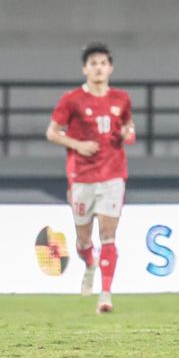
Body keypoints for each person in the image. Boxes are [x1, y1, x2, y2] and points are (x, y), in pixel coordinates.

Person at [46, 42, 135, 314]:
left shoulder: (122, 99)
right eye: (93, 63)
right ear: (85, 68)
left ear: (110, 68)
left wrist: (127, 134)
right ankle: (88, 262)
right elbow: (52, 132)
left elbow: (129, 127)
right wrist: (77, 144)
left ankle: (105, 295)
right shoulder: (72, 99)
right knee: (84, 240)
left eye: (103, 63)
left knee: (108, 235)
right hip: (82, 177)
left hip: (112, 174)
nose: (98, 68)